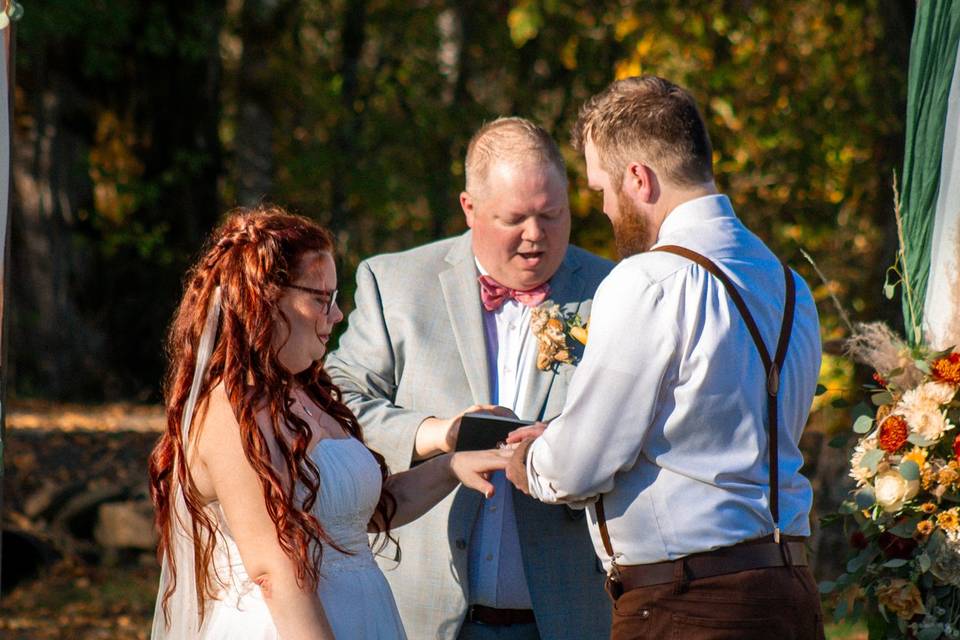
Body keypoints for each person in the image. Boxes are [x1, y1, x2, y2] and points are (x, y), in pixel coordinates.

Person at [504, 76, 825, 639]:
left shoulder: (650, 280)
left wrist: (530, 460)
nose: (603, 207)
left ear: (638, 178)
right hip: (790, 595)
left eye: (602, 186)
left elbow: (580, 465)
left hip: (689, 606)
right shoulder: (790, 286)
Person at [148, 205, 508, 639]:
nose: (336, 316)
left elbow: (363, 515)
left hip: (364, 617)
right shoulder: (229, 409)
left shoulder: (306, 392)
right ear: (264, 297)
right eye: (322, 299)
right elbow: (274, 571)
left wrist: (450, 467)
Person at [325, 117, 613, 639]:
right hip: (422, 612)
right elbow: (337, 401)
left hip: (568, 613)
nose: (536, 235)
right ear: (469, 208)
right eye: (515, 218)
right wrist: (437, 433)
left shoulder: (613, 291)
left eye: (552, 215)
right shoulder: (396, 285)